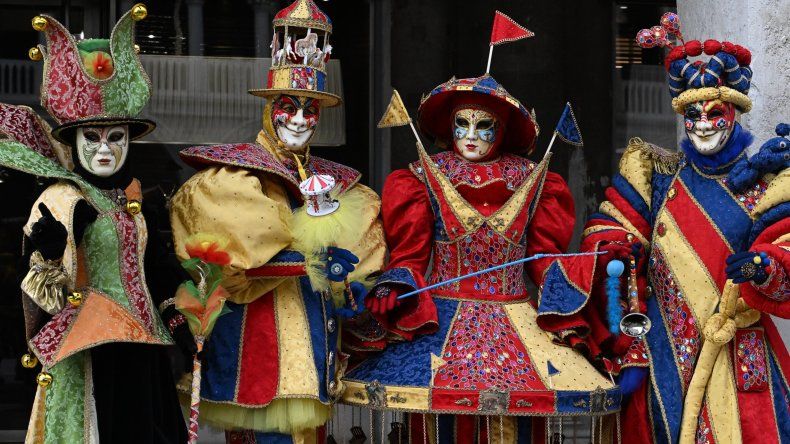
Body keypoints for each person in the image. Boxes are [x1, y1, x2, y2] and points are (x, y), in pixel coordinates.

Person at [341, 71, 620, 442]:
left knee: (522, 413)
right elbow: (410, 255)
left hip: (517, 319)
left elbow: (542, 258)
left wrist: (587, 268)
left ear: (502, 129)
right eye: (462, 124)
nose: (471, 135)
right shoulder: (420, 178)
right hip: (441, 322)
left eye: (483, 126)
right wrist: (395, 285)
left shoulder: (536, 181)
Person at [550, 14, 790, 443]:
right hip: (663, 347)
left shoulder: (766, 183)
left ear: (733, 113)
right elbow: (610, 225)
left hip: (733, 349)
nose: (701, 125)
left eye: (713, 114)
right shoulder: (659, 176)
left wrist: (762, 265)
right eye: (691, 114)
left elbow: (784, 246)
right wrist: (616, 250)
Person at [168, 1, 385, 442]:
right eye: (289, 106)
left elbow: (355, 273)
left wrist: (352, 286)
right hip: (258, 340)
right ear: (270, 107)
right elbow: (230, 262)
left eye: (311, 110)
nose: (301, 119)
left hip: (314, 343)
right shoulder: (231, 179)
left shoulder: (339, 185)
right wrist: (309, 259)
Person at [0, 5, 188, 443]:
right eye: (93, 138)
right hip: (88, 348)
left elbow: (155, 269)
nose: (105, 150)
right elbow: (39, 291)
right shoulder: (61, 201)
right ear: (75, 142)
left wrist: (179, 320)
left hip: (142, 348)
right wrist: (46, 253)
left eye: (116, 138)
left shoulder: (137, 197)